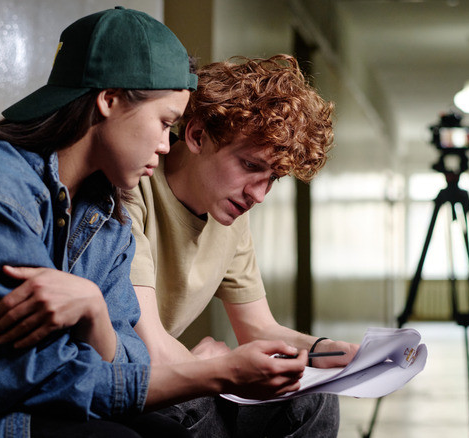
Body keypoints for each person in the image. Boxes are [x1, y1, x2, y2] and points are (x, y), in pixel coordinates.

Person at [0, 8, 307, 438]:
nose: (164, 146)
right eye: (164, 123)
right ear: (109, 100)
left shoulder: (103, 210)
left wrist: (95, 310)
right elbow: (30, 377)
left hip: (31, 402)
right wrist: (219, 373)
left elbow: (127, 361)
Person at [125, 54, 359, 437]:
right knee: (194, 404)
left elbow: (258, 328)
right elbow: (147, 348)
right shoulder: (134, 185)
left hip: (179, 368)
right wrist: (216, 369)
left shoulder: (231, 214)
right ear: (197, 135)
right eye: (250, 166)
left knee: (313, 395)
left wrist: (330, 352)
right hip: (135, 378)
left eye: (273, 178)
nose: (259, 195)